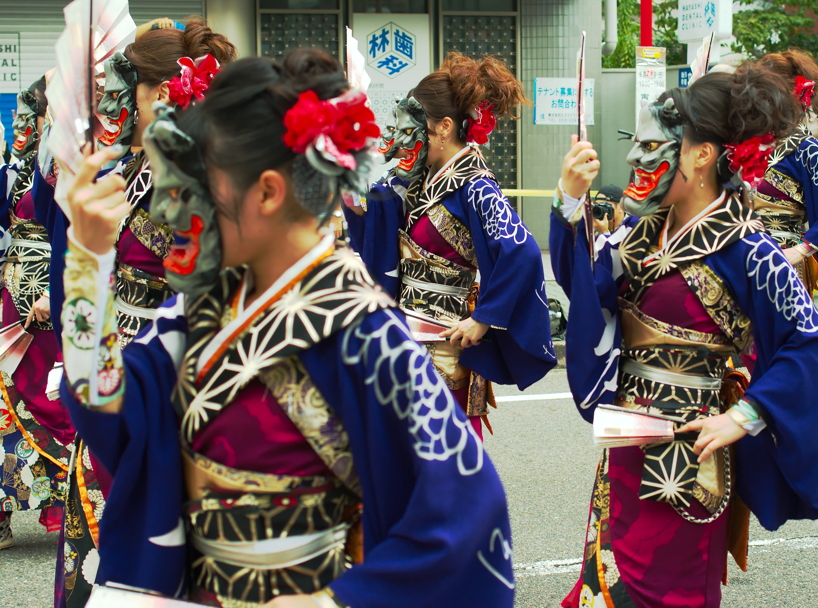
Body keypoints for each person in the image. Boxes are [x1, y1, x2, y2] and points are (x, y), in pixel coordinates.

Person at [57, 49, 516, 607]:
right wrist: (88, 262)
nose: (175, 210)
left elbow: (467, 512)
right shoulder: (202, 312)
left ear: (269, 192)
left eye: (198, 187)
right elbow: (108, 410)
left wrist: (337, 600)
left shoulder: (365, 336)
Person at [549, 65, 818, 608]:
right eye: (636, 145)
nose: (634, 159)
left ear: (702, 155)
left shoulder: (749, 250)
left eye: (654, 145)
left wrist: (743, 416)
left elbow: (808, 340)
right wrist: (569, 202)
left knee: (666, 594)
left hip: (687, 451)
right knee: (603, 591)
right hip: (627, 443)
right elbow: (586, 291)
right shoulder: (639, 232)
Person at [36, 19, 237, 607]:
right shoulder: (139, 170)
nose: (119, 103)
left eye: (132, 89)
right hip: (119, 374)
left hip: (161, 391)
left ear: (166, 93)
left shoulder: (198, 183)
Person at [347, 53, 556, 437]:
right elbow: (375, 218)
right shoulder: (415, 179)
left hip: (444, 347)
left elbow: (521, 249)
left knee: (438, 459)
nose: (399, 141)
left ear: (443, 127)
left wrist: (483, 318)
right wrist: (351, 191)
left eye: (411, 129)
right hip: (402, 337)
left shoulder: (476, 186)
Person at [0, 78, 76, 551]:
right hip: (11, 291)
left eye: (34, 119)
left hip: (50, 288)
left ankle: (68, 496)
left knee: (49, 394)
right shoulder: (12, 172)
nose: (23, 128)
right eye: (18, 120)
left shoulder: (66, 164)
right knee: (7, 398)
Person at [752, 49, 818, 295]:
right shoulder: (743, 144)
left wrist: (802, 249)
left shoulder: (806, 149)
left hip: (783, 263)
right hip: (741, 258)